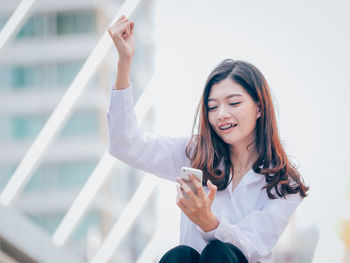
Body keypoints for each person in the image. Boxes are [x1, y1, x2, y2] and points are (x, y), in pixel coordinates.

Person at [107, 15, 309, 263]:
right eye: (212, 107)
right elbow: (125, 145)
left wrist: (209, 222)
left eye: (233, 103)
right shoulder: (194, 153)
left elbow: (252, 247)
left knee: (220, 253)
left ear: (259, 107)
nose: (222, 114)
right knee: (179, 256)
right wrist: (124, 61)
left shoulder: (284, 184)